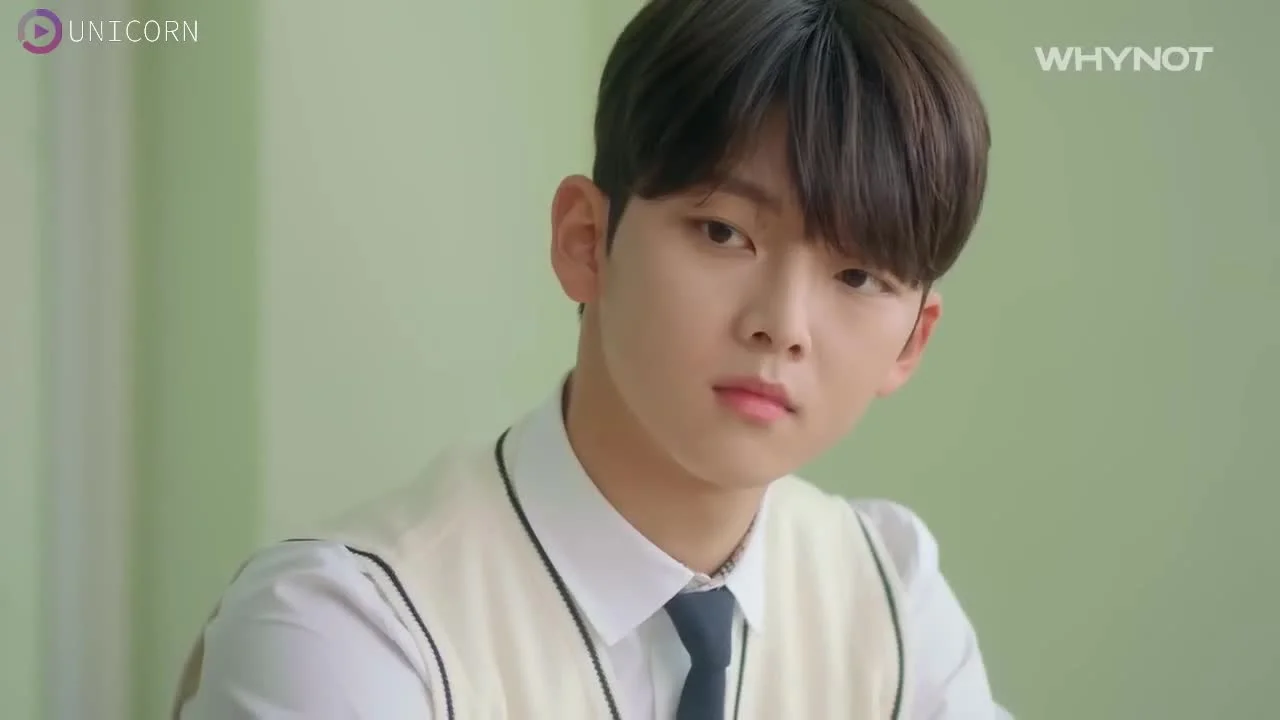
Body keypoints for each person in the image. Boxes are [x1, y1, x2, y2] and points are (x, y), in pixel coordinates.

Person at [174, 0, 1011, 717]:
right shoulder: (348, 626)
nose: (783, 326)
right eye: (724, 232)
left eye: (857, 276)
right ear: (584, 241)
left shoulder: (892, 597)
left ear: (912, 342)